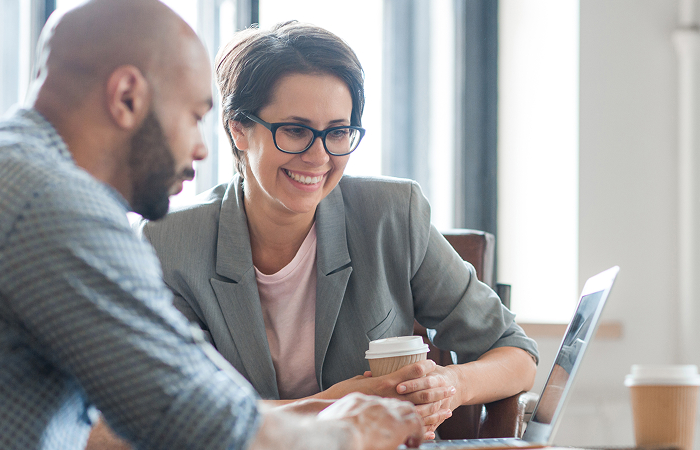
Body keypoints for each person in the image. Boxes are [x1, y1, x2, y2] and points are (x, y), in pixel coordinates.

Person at [0, 1, 425, 449]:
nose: (202, 149)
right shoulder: (55, 206)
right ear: (127, 97)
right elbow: (199, 422)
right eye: (193, 116)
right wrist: (350, 430)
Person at [142, 21, 540, 440]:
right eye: (295, 130)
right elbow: (175, 410)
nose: (319, 157)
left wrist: (450, 386)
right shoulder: (170, 244)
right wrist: (331, 407)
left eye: (337, 132)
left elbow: (516, 353)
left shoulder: (391, 215)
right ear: (239, 128)